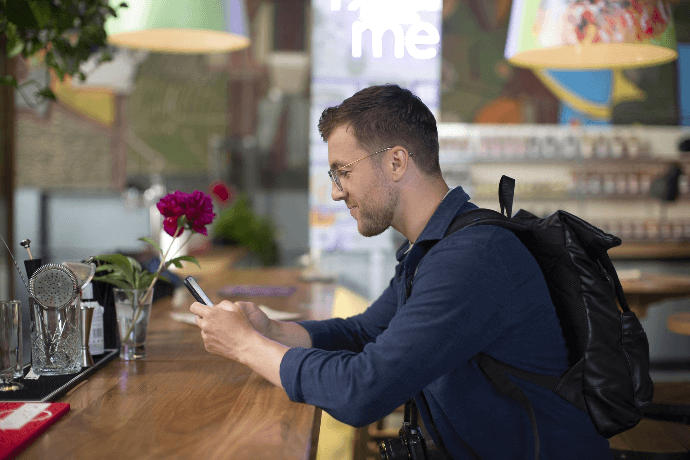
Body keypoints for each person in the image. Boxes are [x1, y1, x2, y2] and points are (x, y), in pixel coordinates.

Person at [191, 84, 613, 459]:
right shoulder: (435, 248)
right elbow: (365, 332)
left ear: (396, 162)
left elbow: (362, 393)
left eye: (343, 171)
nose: (337, 192)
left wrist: (246, 346)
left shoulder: (471, 257)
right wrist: (275, 332)